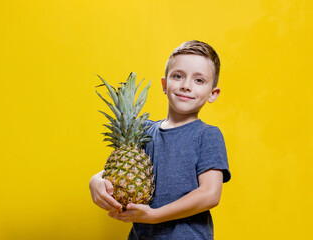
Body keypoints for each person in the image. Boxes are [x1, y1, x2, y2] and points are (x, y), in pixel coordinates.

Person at [89, 40, 231, 239]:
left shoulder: (207, 135)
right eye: (178, 76)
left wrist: (155, 216)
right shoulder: (144, 130)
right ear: (164, 85)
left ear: (212, 93)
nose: (186, 86)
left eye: (199, 80)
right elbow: (123, 171)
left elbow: (210, 194)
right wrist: (95, 180)